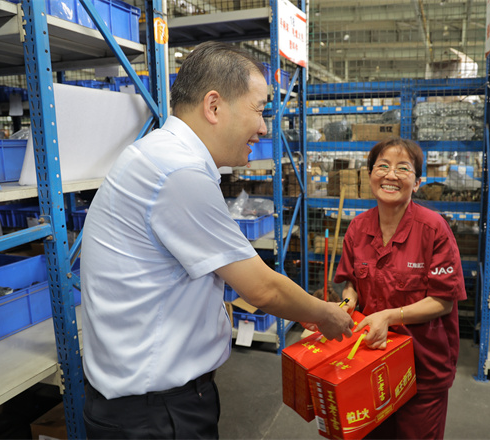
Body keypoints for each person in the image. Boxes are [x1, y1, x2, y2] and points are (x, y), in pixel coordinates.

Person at [80, 41, 354, 439]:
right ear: (213, 106)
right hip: (156, 415)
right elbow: (262, 288)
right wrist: (325, 314)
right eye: (259, 110)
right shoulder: (178, 172)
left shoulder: (159, 155)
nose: (264, 127)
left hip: (144, 404)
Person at [334, 137, 467, 439]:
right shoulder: (357, 228)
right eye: (382, 166)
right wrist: (347, 303)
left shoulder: (434, 229)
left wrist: (389, 316)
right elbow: (352, 283)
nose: (391, 175)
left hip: (422, 368)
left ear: (417, 182)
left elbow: (443, 301)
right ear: (370, 176)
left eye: (403, 168)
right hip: (371, 363)